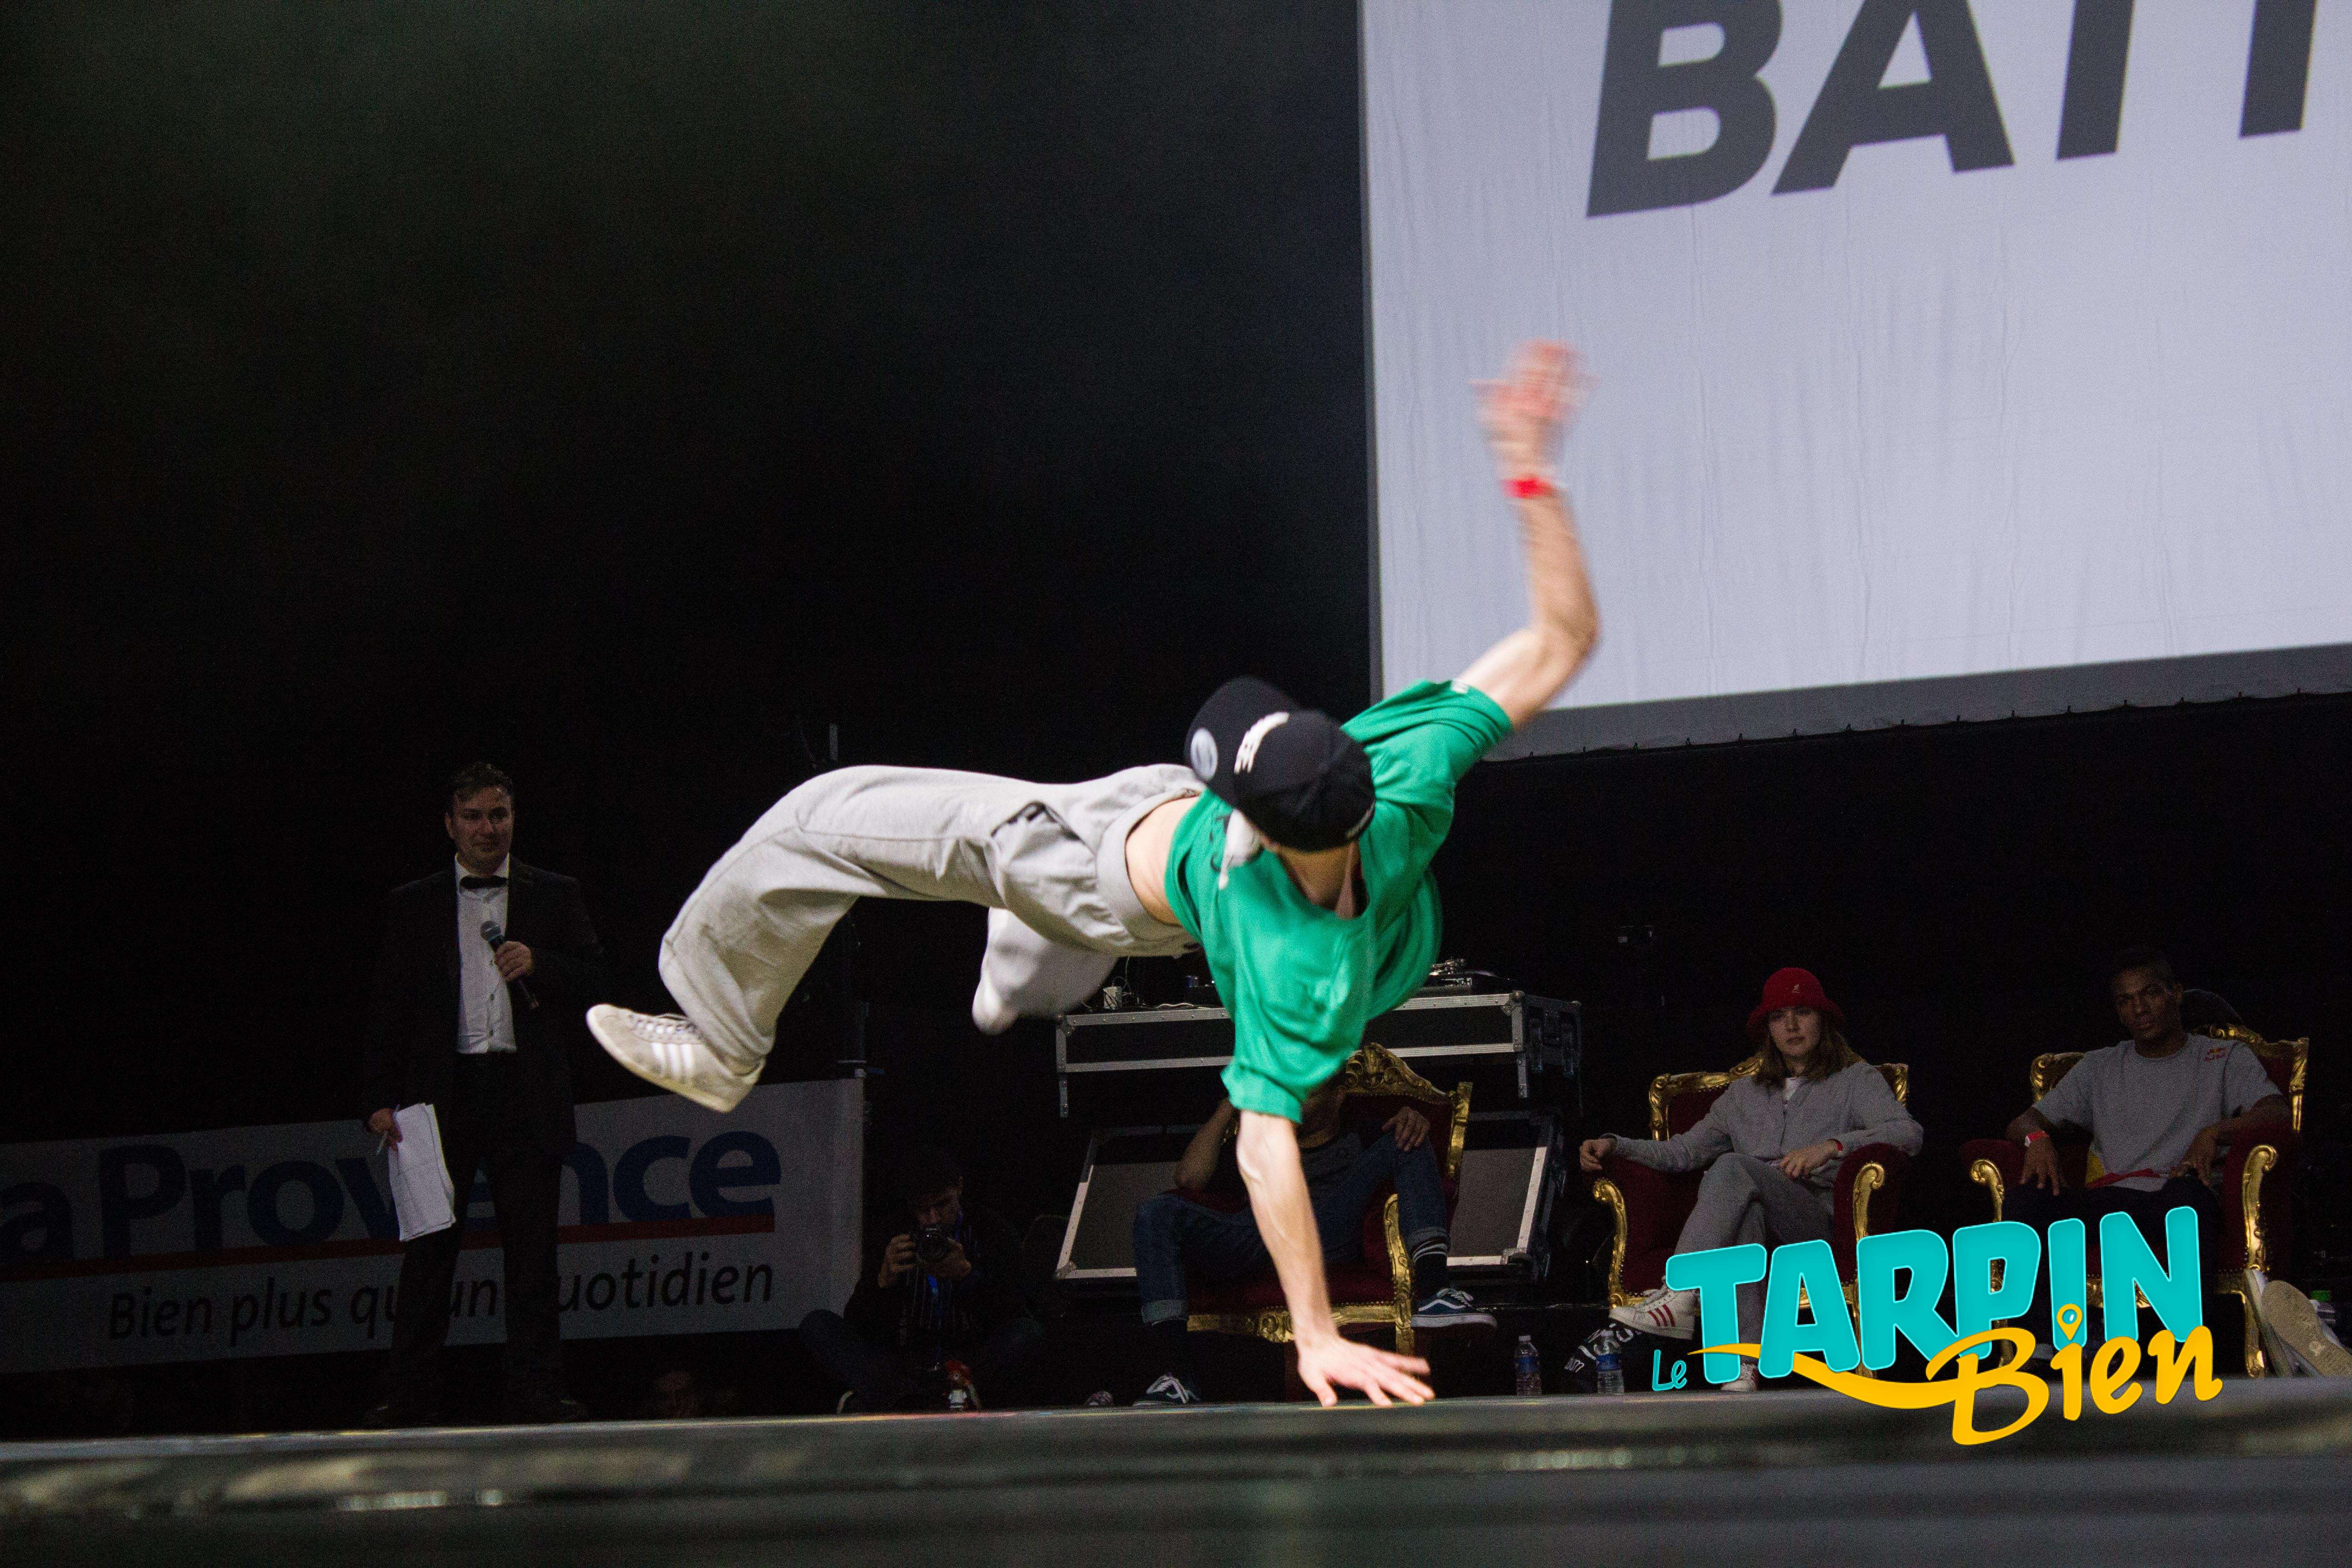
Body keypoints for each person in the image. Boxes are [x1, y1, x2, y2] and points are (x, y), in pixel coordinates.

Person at [589, 340, 1602, 1406]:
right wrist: (1532, 476)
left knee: (820, 817)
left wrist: (1314, 1334)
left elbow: (1265, 1152)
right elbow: (1561, 637)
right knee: (1042, 950)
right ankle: (1020, 970)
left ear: (1258, 828)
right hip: (1150, 869)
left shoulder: (1295, 967)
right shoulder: (1395, 782)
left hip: (1080, 861)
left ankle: (724, 1040)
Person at [362, 763, 608, 1426]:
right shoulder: (414, 902)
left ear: (513, 819)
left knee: (532, 1254)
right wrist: (378, 1095)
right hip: (440, 1095)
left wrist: (542, 964)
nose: (487, 828)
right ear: (450, 826)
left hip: (523, 1090)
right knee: (428, 1252)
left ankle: (536, 1391)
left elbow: (596, 979)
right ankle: (409, 1394)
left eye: (498, 814)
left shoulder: (554, 893)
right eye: (473, 816)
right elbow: (389, 1005)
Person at [1579, 967, 1922, 1392]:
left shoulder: (1856, 1080)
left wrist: (1832, 1147)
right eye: (1779, 1017)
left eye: (1802, 1013)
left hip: (1815, 1222)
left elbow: (1907, 1133)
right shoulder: (1743, 1095)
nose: (1791, 1025)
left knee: (1732, 1167)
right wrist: (1615, 1145)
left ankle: (1680, 1290)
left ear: (1823, 1020)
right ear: (1768, 1030)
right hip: (1758, 1217)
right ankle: (1744, 1364)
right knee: (1748, 1210)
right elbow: (1682, 1152)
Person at [1128, 1045, 1494, 1406]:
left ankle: (1435, 1291)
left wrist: (1413, 1120)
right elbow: (1189, 1179)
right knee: (1156, 1213)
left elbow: (1402, 1149)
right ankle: (1177, 1376)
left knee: (1407, 1138)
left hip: (1325, 1231)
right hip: (1256, 1233)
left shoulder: (1363, 1135)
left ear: (1338, 1096)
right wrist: (1230, 1104)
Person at [1998, 947, 2290, 1350]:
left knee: (2188, 1202)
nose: (2139, 1008)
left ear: (2176, 993)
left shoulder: (2222, 1057)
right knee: (2025, 1200)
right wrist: (2038, 1140)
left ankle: (2186, 1347)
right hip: (2111, 1201)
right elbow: (2023, 1122)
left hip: (2176, 1193)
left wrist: (2215, 1132)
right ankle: (2045, 1342)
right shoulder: (2100, 1066)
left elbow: (2277, 1112)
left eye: (2150, 993)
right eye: (2126, 1000)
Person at [799, 1147, 1043, 1412]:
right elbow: (859, 1326)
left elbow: (1016, 1311)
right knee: (817, 1324)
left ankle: (905, 1401)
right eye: (923, 1210)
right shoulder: (893, 1232)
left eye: (942, 1205)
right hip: (904, 1364)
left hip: (969, 1361)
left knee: (1027, 1333)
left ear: (959, 1188)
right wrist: (883, 1281)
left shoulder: (989, 1229)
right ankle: (915, 1399)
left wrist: (967, 1276)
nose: (933, 1219)